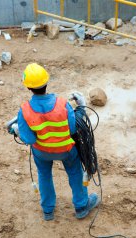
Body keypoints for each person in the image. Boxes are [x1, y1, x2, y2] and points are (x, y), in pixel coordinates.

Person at [12, 63, 100, 221]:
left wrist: (17, 130)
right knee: (75, 173)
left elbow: (29, 139)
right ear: (47, 82)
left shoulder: (24, 110)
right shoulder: (62, 103)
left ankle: (48, 211)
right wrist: (81, 107)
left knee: (44, 175)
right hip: (66, 150)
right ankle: (81, 206)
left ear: (28, 87)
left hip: (41, 152)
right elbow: (73, 129)